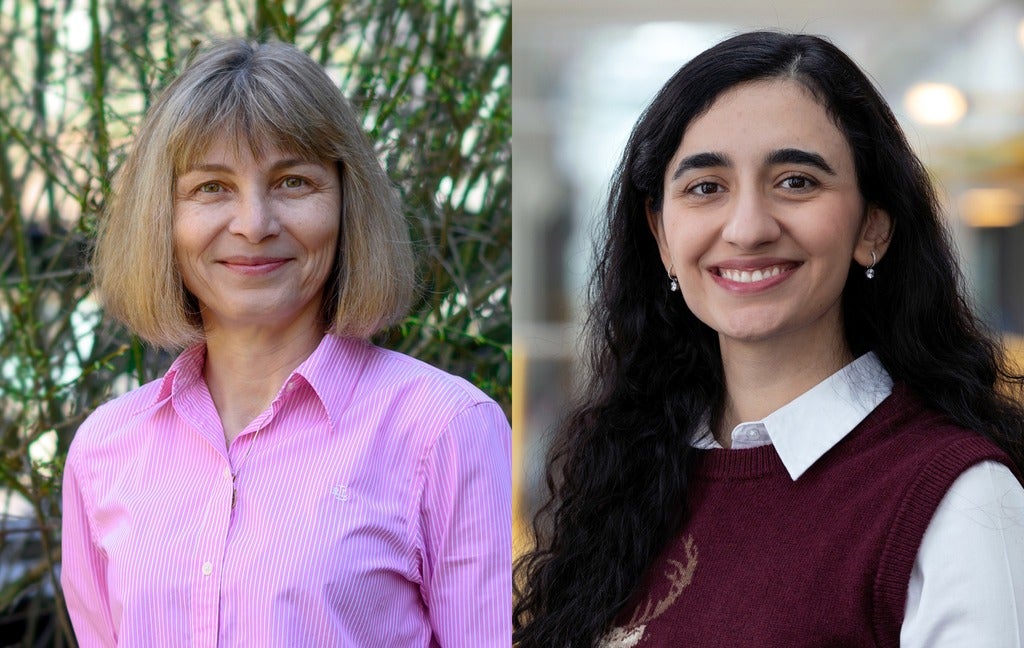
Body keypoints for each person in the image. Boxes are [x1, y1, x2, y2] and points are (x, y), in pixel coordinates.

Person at [513, 30, 1024, 648]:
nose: (748, 228)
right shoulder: (627, 473)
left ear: (873, 226)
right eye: (706, 187)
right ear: (662, 235)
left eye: (796, 181)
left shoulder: (960, 501)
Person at [61, 39, 511, 647]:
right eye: (211, 187)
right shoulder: (104, 450)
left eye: (293, 182)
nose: (254, 223)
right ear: (161, 217)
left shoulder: (446, 432)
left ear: (347, 203)